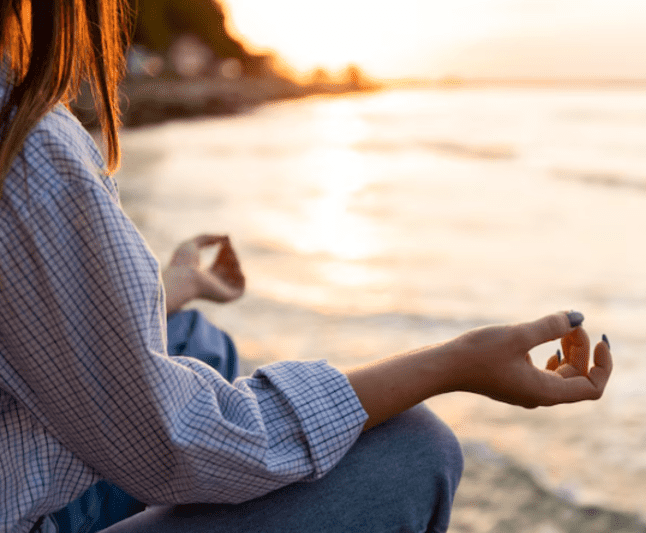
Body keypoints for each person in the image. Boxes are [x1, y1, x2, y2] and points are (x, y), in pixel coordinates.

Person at [0, 1, 613, 532]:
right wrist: (454, 363)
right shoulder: (24, 141)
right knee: (412, 450)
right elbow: (177, 440)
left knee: (194, 341)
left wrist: (177, 285)